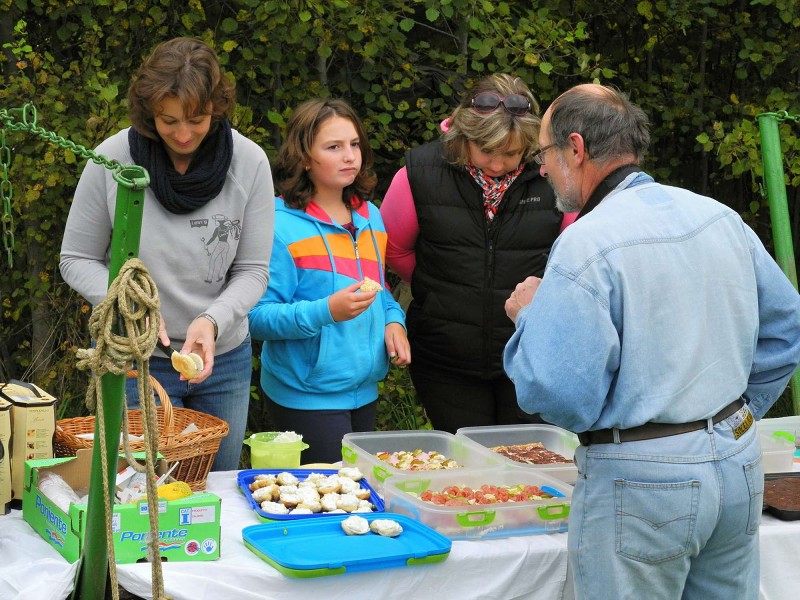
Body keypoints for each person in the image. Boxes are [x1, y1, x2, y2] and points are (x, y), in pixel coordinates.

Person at [503, 83, 800, 599]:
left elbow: (554, 394)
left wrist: (531, 318)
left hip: (643, 480)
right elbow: (787, 328)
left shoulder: (585, 243)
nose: (543, 169)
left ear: (575, 148)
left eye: (545, 154)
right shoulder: (716, 215)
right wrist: (734, 415)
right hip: (737, 459)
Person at [60, 37, 274, 471]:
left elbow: (252, 270)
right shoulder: (112, 158)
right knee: (139, 495)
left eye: (196, 120)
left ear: (216, 109)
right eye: (167, 120)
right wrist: (130, 306)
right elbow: (75, 258)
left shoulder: (249, 161)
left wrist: (212, 321)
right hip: (136, 360)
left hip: (224, 361)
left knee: (211, 496)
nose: (182, 134)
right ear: (147, 112)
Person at [379, 73, 574, 433]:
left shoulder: (556, 177)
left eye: (512, 153)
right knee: (465, 474)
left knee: (525, 471)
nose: (497, 165)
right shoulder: (419, 173)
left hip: (531, 357)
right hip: (445, 361)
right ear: (463, 135)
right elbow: (394, 249)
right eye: (486, 151)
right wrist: (440, 286)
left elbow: (573, 260)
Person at [248, 98, 410, 464]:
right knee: (328, 504)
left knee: (357, 499)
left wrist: (393, 321)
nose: (349, 156)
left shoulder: (370, 215)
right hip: (304, 395)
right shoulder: (279, 224)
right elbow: (257, 318)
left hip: (364, 391)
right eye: (333, 147)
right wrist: (327, 311)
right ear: (304, 157)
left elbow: (378, 290)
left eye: (354, 144)